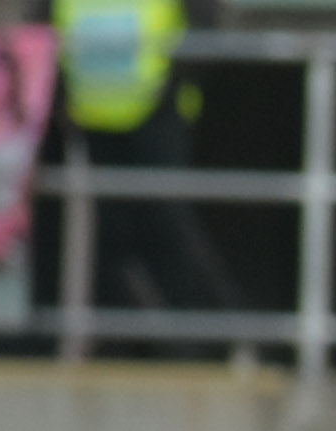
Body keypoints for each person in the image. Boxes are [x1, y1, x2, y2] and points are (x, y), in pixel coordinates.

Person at [56, 0, 242, 324]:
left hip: (158, 113)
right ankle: (131, 336)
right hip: (93, 112)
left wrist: (172, 86)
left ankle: (217, 332)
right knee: (111, 236)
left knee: (165, 223)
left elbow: (206, 24)